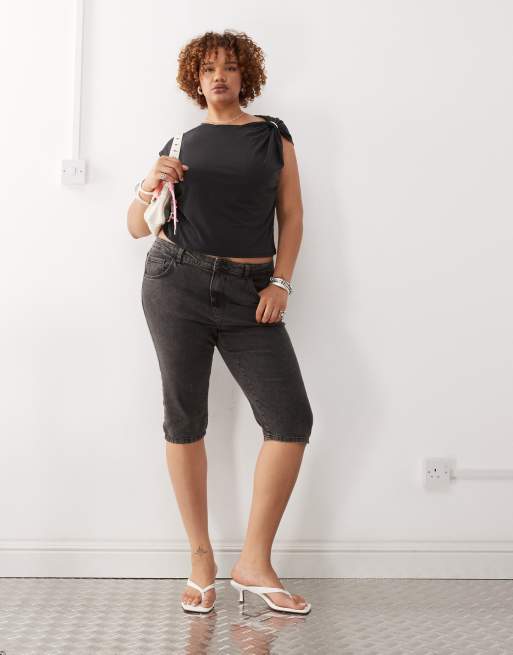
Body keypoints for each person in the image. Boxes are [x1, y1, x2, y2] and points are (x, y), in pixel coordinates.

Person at [126, 30, 313, 614]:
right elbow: (134, 226)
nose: (219, 77)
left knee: (290, 420)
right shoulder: (180, 142)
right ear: (196, 79)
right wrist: (148, 182)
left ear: (245, 76)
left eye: (230, 68)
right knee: (184, 419)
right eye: (208, 69)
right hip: (175, 282)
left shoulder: (272, 136)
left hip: (250, 294)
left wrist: (280, 282)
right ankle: (200, 558)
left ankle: (254, 562)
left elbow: (291, 215)